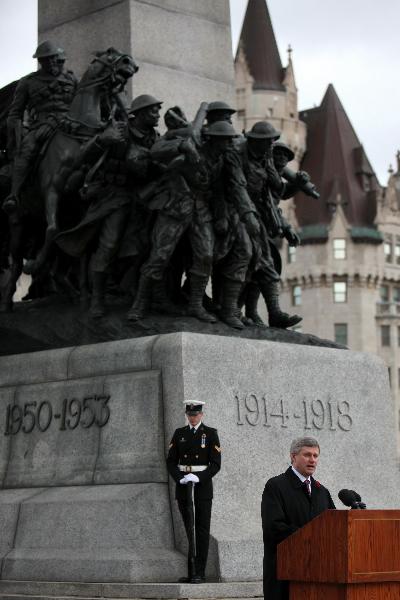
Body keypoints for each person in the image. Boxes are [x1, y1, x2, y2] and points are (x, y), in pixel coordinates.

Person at [4, 41, 77, 214]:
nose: (52, 62)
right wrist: (16, 135)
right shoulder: (28, 82)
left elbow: (79, 103)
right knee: (26, 150)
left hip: (70, 124)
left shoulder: (71, 79)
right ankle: (14, 195)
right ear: (40, 61)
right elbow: (15, 113)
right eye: (46, 60)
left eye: (54, 59)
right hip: (41, 126)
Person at [261, 436, 335, 600]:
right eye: (307, 455)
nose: (312, 460)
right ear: (293, 457)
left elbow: (333, 528)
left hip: (318, 575)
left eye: (316, 456)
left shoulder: (322, 492)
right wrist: (311, 537)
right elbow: (274, 527)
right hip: (285, 575)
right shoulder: (276, 486)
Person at [166, 401, 221, 583]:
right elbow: (171, 461)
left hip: (202, 485)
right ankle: (191, 572)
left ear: (201, 415)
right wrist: (179, 477)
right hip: (184, 485)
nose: (192, 417)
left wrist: (199, 477)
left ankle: (200, 573)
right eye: (190, 414)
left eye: (195, 414)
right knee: (190, 529)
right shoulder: (180, 434)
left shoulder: (211, 434)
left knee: (201, 529)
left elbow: (215, 464)